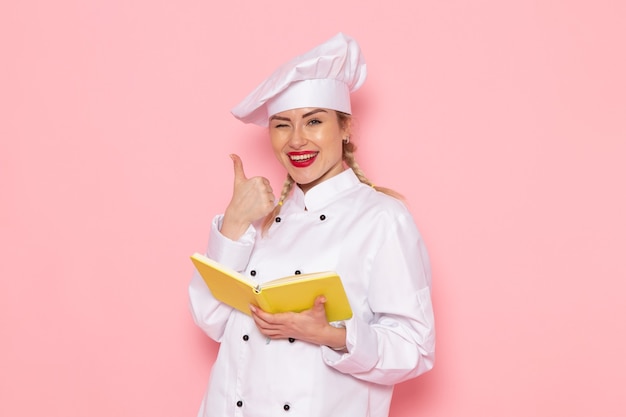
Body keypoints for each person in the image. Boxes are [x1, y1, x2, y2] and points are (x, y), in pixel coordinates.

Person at [188, 33, 435, 417]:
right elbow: (211, 320)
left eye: (314, 121)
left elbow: (415, 349)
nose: (297, 140)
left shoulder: (382, 218)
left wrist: (331, 336)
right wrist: (234, 222)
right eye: (282, 125)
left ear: (346, 128)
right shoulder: (261, 217)